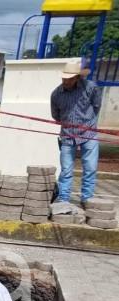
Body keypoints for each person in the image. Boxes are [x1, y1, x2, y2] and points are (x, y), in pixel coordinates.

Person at [50, 61, 103, 205]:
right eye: (64, 78)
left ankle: (86, 199)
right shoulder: (56, 94)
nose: (66, 81)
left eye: (69, 78)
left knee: (90, 168)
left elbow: (96, 106)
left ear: (77, 78)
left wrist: (87, 121)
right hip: (67, 135)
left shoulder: (90, 88)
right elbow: (56, 115)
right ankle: (64, 199)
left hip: (89, 133)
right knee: (66, 170)